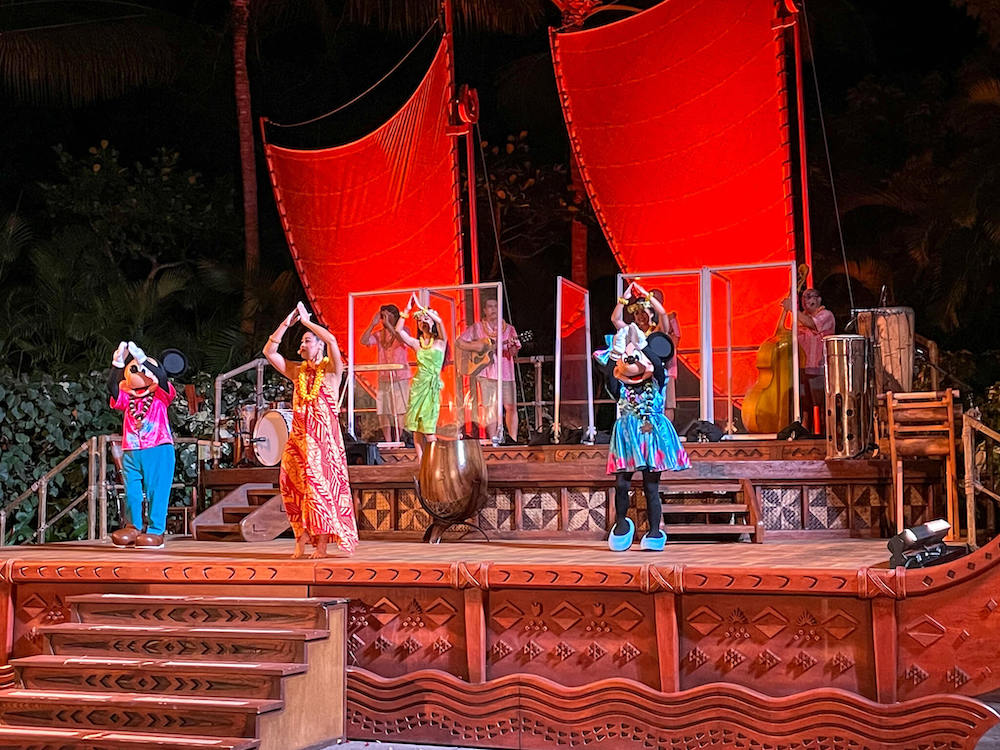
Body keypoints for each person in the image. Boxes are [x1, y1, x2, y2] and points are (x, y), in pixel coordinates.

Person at [263, 302, 358, 559]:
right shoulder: (297, 372)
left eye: (306, 341)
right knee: (292, 486)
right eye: (302, 342)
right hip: (299, 439)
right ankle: (301, 538)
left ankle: (322, 544)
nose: (301, 346)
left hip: (324, 442)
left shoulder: (331, 371)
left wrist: (307, 322)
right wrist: (287, 323)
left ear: (319, 345)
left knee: (319, 488)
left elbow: (333, 340)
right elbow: (269, 351)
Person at [595, 323, 690, 552]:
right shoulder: (621, 389)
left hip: (651, 437)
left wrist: (642, 343)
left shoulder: (657, 383)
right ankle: (620, 524)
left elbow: (657, 364)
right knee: (621, 484)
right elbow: (609, 371)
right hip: (627, 438)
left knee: (651, 487)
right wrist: (618, 348)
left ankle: (655, 531)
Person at [108, 341, 176, 549]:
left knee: (157, 490)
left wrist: (143, 359)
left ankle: (156, 530)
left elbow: (162, 378)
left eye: (143, 369)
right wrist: (117, 364)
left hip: (158, 448)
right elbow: (112, 389)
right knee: (132, 491)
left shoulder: (161, 395)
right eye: (135, 368)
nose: (139, 372)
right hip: (131, 450)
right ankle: (133, 526)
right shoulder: (127, 398)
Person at [456, 296, 521, 442]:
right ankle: (494, 441)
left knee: (510, 406)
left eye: (496, 306)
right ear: (484, 310)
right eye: (490, 307)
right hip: (486, 373)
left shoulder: (509, 329)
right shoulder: (477, 328)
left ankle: (513, 440)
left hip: (506, 374)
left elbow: (513, 353)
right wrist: (477, 347)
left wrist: (511, 347)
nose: (493, 309)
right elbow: (459, 342)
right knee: (490, 407)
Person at [396, 294, 447, 461]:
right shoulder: (417, 343)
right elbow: (398, 331)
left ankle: (435, 462)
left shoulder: (440, 341)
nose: (423, 321)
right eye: (420, 319)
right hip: (418, 386)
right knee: (416, 428)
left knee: (429, 430)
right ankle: (421, 462)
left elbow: (440, 322)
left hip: (431, 388)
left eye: (426, 318)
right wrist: (407, 310)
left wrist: (423, 308)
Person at [782, 288, 835, 432]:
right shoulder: (800, 318)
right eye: (804, 297)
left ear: (819, 299)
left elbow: (812, 324)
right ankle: (805, 437)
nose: (806, 300)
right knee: (805, 407)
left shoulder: (826, 315)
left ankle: (827, 436)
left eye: (810, 297)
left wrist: (793, 309)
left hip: (820, 368)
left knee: (824, 405)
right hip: (803, 367)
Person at [360, 304, 411, 442]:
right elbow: (363, 341)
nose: (384, 319)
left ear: (394, 316)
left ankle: (399, 439)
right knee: (383, 410)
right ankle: (388, 441)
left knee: (400, 410)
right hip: (384, 377)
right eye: (383, 316)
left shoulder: (404, 330)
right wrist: (372, 324)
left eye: (387, 316)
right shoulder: (379, 334)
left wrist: (389, 325)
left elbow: (403, 341)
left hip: (400, 376)